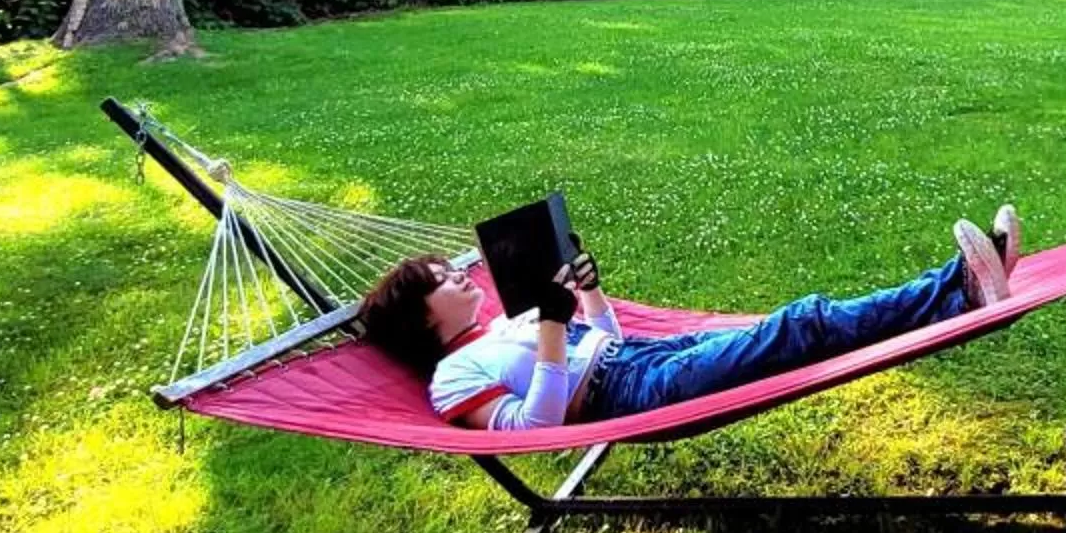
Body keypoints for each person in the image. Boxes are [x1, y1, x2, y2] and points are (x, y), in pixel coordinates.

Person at [356, 208, 1023, 431]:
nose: (457, 273)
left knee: (806, 327)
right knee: (802, 325)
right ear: (421, 317)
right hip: (634, 393)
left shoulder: (498, 328)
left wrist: (589, 299)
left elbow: (604, 343)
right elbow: (536, 427)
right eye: (440, 279)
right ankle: (960, 284)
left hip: (640, 358)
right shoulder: (452, 379)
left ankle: (967, 283)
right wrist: (555, 327)